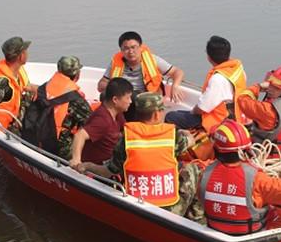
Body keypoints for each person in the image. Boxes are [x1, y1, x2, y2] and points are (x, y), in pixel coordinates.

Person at [77, 93, 203, 223]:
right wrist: (186, 133)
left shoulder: (126, 139)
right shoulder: (173, 136)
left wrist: (88, 166)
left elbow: (108, 171)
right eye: (162, 110)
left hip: (135, 205)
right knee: (195, 168)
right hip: (169, 209)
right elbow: (191, 141)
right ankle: (196, 218)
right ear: (156, 114)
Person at [198, 120, 281, 235]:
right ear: (246, 151)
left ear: (216, 149)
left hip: (216, 232)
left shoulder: (204, 174)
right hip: (252, 237)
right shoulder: (256, 179)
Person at [166, 35, 247, 132]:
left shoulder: (217, 79)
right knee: (180, 112)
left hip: (218, 120)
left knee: (171, 116)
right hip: (237, 114)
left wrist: (192, 112)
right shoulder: (237, 68)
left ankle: (183, 143)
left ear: (209, 57)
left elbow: (202, 108)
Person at [97, 31, 186, 117]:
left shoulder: (153, 60)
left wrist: (175, 86)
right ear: (121, 50)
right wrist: (114, 87)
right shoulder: (115, 63)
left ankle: (132, 125)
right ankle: (115, 123)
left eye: (133, 47)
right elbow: (102, 84)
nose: (130, 51)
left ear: (140, 47)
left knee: (133, 97)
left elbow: (177, 72)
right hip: (123, 95)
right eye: (126, 48)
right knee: (104, 95)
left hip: (146, 95)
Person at [21, 56, 91, 160]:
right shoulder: (75, 99)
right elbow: (93, 124)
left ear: (59, 71)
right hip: (58, 149)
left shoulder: (44, 87)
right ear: (77, 74)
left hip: (32, 137)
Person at [237, 65, 281, 160]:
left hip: (263, 160)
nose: (270, 88)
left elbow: (242, 100)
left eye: (276, 88)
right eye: (270, 85)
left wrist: (258, 87)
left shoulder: (268, 110)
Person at [0, 36, 38, 132]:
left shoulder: (18, 70)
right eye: (26, 50)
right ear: (21, 56)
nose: (28, 53)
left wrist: (39, 89)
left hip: (19, 117)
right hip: (6, 129)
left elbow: (25, 87)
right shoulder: (2, 82)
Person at [70, 77, 133, 167]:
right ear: (115, 100)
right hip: (98, 169)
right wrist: (76, 160)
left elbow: (125, 132)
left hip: (113, 161)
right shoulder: (102, 120)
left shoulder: (118, 113)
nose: (130, 101)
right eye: (128, 98)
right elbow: (80, 135)